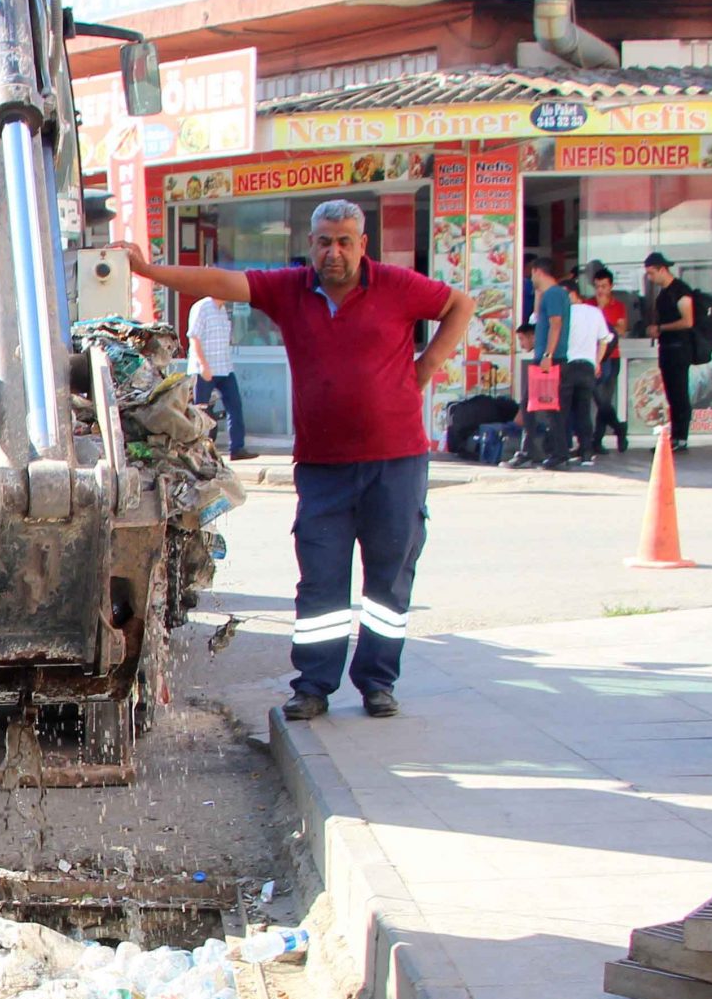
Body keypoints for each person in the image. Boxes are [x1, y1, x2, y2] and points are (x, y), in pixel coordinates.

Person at [135, 199, 475, 722]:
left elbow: (461, 305)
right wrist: (147, 270)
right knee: (320, 579)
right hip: (322, 467)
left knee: (389, 579)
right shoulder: (291, 290)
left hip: (397, 463)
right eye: (323, 241)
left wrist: (426, 365)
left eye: (344, 241)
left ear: (363, 244)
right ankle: (313, 686)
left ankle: (378, 682)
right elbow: (221, 282)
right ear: (310, 243)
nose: (333, 251)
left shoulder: (397, 286)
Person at [511, 257, 573, 469]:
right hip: (550, 357)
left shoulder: (555, 294)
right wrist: (538, 293)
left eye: (531, 274)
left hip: (550, 359)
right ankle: (556, 453)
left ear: (538, 271)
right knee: (548, 408)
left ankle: (538, 452)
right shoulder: (552, 294)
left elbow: (556, 324)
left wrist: (548, 354)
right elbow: (539, 316)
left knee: (533, 407)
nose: (530, 278)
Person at [642, 253, 695, 453]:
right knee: (672, 395)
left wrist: (661, 328)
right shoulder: (664, 294)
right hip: (667, 349)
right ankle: (675, 436)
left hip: (679, 349)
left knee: (679, 394)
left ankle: (682, 437)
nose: (650, 278)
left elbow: (688, 321)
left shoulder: (680, 291)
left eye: (651, 273)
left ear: (663, 269)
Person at [185, 293, 247, 458]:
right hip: (204, 369)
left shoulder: (223, 311)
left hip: (224, 367)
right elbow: (194, 337)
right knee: (201, 411)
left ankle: (237, 448)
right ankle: (200, 451)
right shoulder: (202, 307)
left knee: (235, 406)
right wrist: (203, 365)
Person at [562, 281, 613, 466]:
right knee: (584, 411)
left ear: (573, 294)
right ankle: (586, 452)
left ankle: (562, 451)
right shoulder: (595, 312)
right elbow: (605, 340)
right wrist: (597, 362)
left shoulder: (564, 313)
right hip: (587, 367)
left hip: (567, 366)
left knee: (563, 411)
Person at [586, 263, 630, 454]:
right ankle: (619, 428)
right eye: (597, 286)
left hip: (612, 357)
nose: (600, 290)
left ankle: (597, 440)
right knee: (600, 400)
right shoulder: (588, 304)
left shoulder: (618, 306)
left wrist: (602, 312)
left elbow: (621, 330)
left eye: (604, 286)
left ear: (611, 286)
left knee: (605, 399)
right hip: (594, 357)